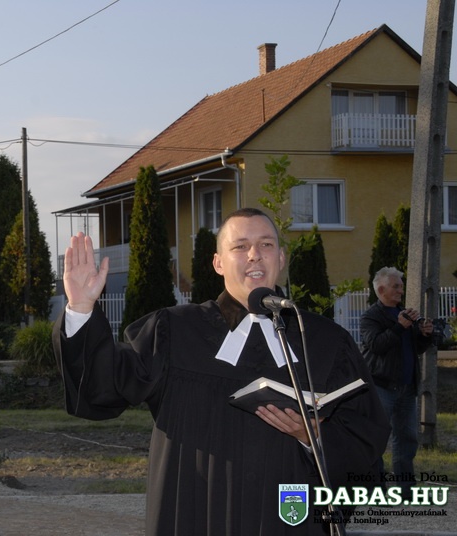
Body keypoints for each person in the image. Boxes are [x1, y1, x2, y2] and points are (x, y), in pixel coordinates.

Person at [53, 207, 389, 535]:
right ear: (218, 263)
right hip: (196, 513)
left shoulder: (325, 342)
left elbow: (366, 437)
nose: (254, 255)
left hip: (289, 517)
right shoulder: (174, 331)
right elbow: (104, 385)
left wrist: (313, 438)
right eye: (240, 246)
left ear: (281, 258)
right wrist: (81, 309)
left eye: (266, 244)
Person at [360, 266, 433, 498]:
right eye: (396, 287)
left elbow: (415, 349)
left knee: (407, 439)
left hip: (407, 388)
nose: (401, 291)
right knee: (377, 438)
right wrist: (399, 327)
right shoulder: (371, 316)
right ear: (382, 290)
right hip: (381, 387)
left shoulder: (405, 315)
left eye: (401, 286)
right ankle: (376, 490)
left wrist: (424, 334)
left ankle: (406, 490)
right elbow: (376, 345)